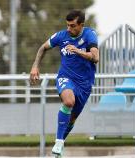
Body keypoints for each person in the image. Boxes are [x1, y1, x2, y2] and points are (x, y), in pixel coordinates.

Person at [29, 10, 99, 157]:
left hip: (85, 84)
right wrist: (35, 66)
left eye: (73, 26)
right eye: (67, 25)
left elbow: (95, 57)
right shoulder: (61, 36)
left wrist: (78, 51)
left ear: (81, 25)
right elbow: (43, 47)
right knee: (68, 101)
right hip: (65, 77)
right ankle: (59, 142)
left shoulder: (89, 34)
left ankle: (57, 150)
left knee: (72, 119)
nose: (69, 29)